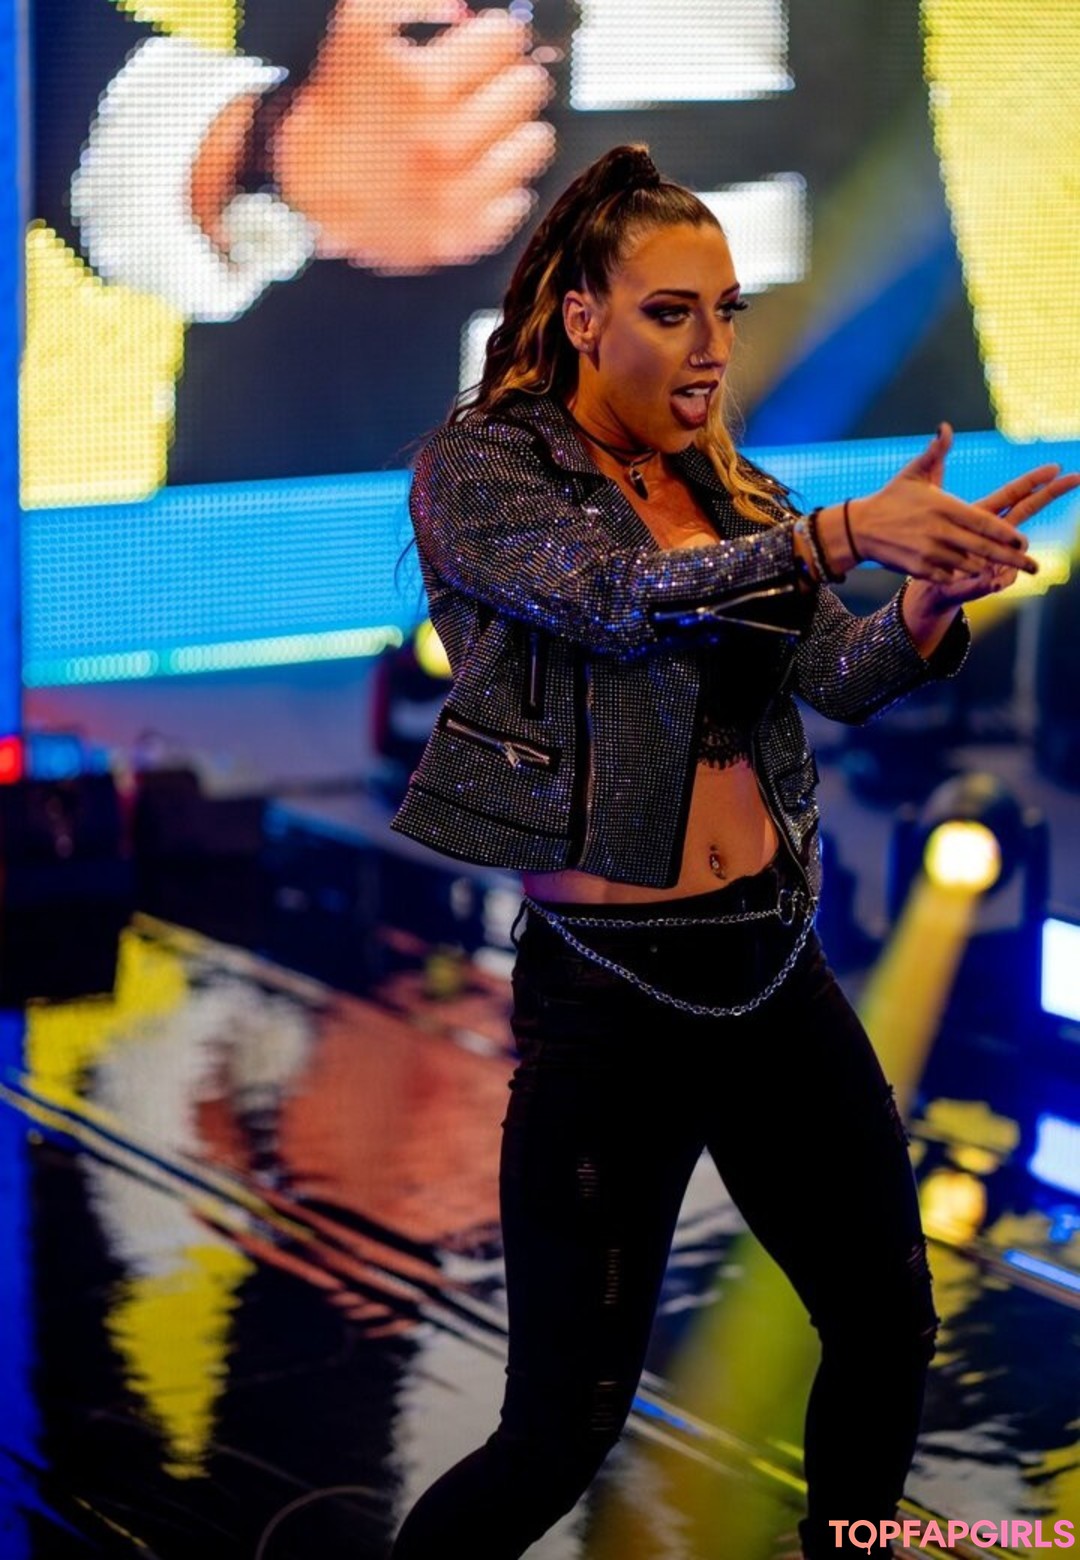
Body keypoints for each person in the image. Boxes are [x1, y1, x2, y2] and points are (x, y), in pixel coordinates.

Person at [387, 144, 1077, 1560]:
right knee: (562, 1431)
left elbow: (833, 678)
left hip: (771, 970)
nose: (711, 347)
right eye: (671, 313)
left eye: (726, 312)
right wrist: (837, 535)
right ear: (583, 315)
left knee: (886, 1322)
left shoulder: (734, 489)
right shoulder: (484, 468)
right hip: (611, 999)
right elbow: (613, 596)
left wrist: (925, 609)